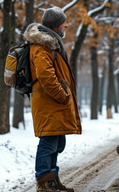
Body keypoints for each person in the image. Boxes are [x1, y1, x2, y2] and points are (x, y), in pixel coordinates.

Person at [23, 6, 82, 192]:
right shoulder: (42, 46)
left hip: (54, 105)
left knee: (57, 143)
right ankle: (43, 183)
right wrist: (63, 96)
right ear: (56, 25)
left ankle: (52, 180)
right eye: (64, 22)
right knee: (48, 144)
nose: (67, 24)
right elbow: (46, 76)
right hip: (50, 104)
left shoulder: (52, 43)